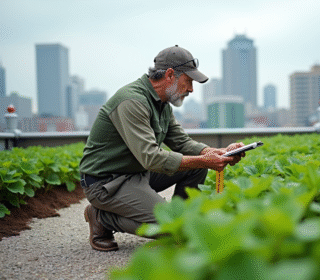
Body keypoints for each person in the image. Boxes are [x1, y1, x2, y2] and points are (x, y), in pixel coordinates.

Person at [79, 45, 245, 252]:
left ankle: (183, 219)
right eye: (189, 81)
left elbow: (182, 142)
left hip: (137, 173)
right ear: (169, 75)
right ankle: (102, 218)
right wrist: (204, 160)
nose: (191, 89)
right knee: (169, 228)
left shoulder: (162, 103)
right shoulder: (132, 101)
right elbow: (152, 158)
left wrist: (215, 153)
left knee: (197, 166)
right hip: (106, 184)